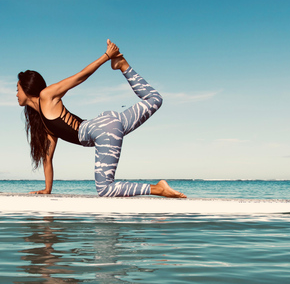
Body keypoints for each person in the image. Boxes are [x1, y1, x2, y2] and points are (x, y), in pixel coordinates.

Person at [17, 39, 186, 198]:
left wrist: (106, 56)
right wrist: (47, 189)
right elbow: (47, 159)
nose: (16, 94)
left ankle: (158, 188)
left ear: (27, 88)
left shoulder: (47, 95)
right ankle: (123, 65)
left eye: (18, 89)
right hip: (107, 123)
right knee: (155, 99)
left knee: (104, 189)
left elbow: (81, 76)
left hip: (102, 131)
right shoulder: (46, 126)